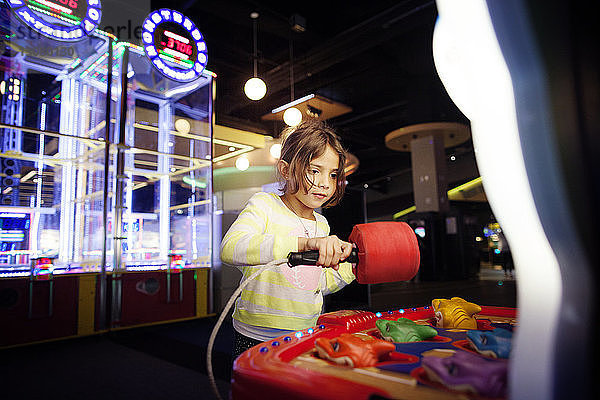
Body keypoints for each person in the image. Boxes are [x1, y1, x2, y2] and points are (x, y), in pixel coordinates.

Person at [220, 119, 356, 359]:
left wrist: (351, 267)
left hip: (305, 332)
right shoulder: (265, 205)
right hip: (256, 335)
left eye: (333, 174)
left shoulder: (321, 224)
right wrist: (300, 244)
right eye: (314, 170)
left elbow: (317, 283)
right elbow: (231, 248)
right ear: (285, 170)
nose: (325, 183)